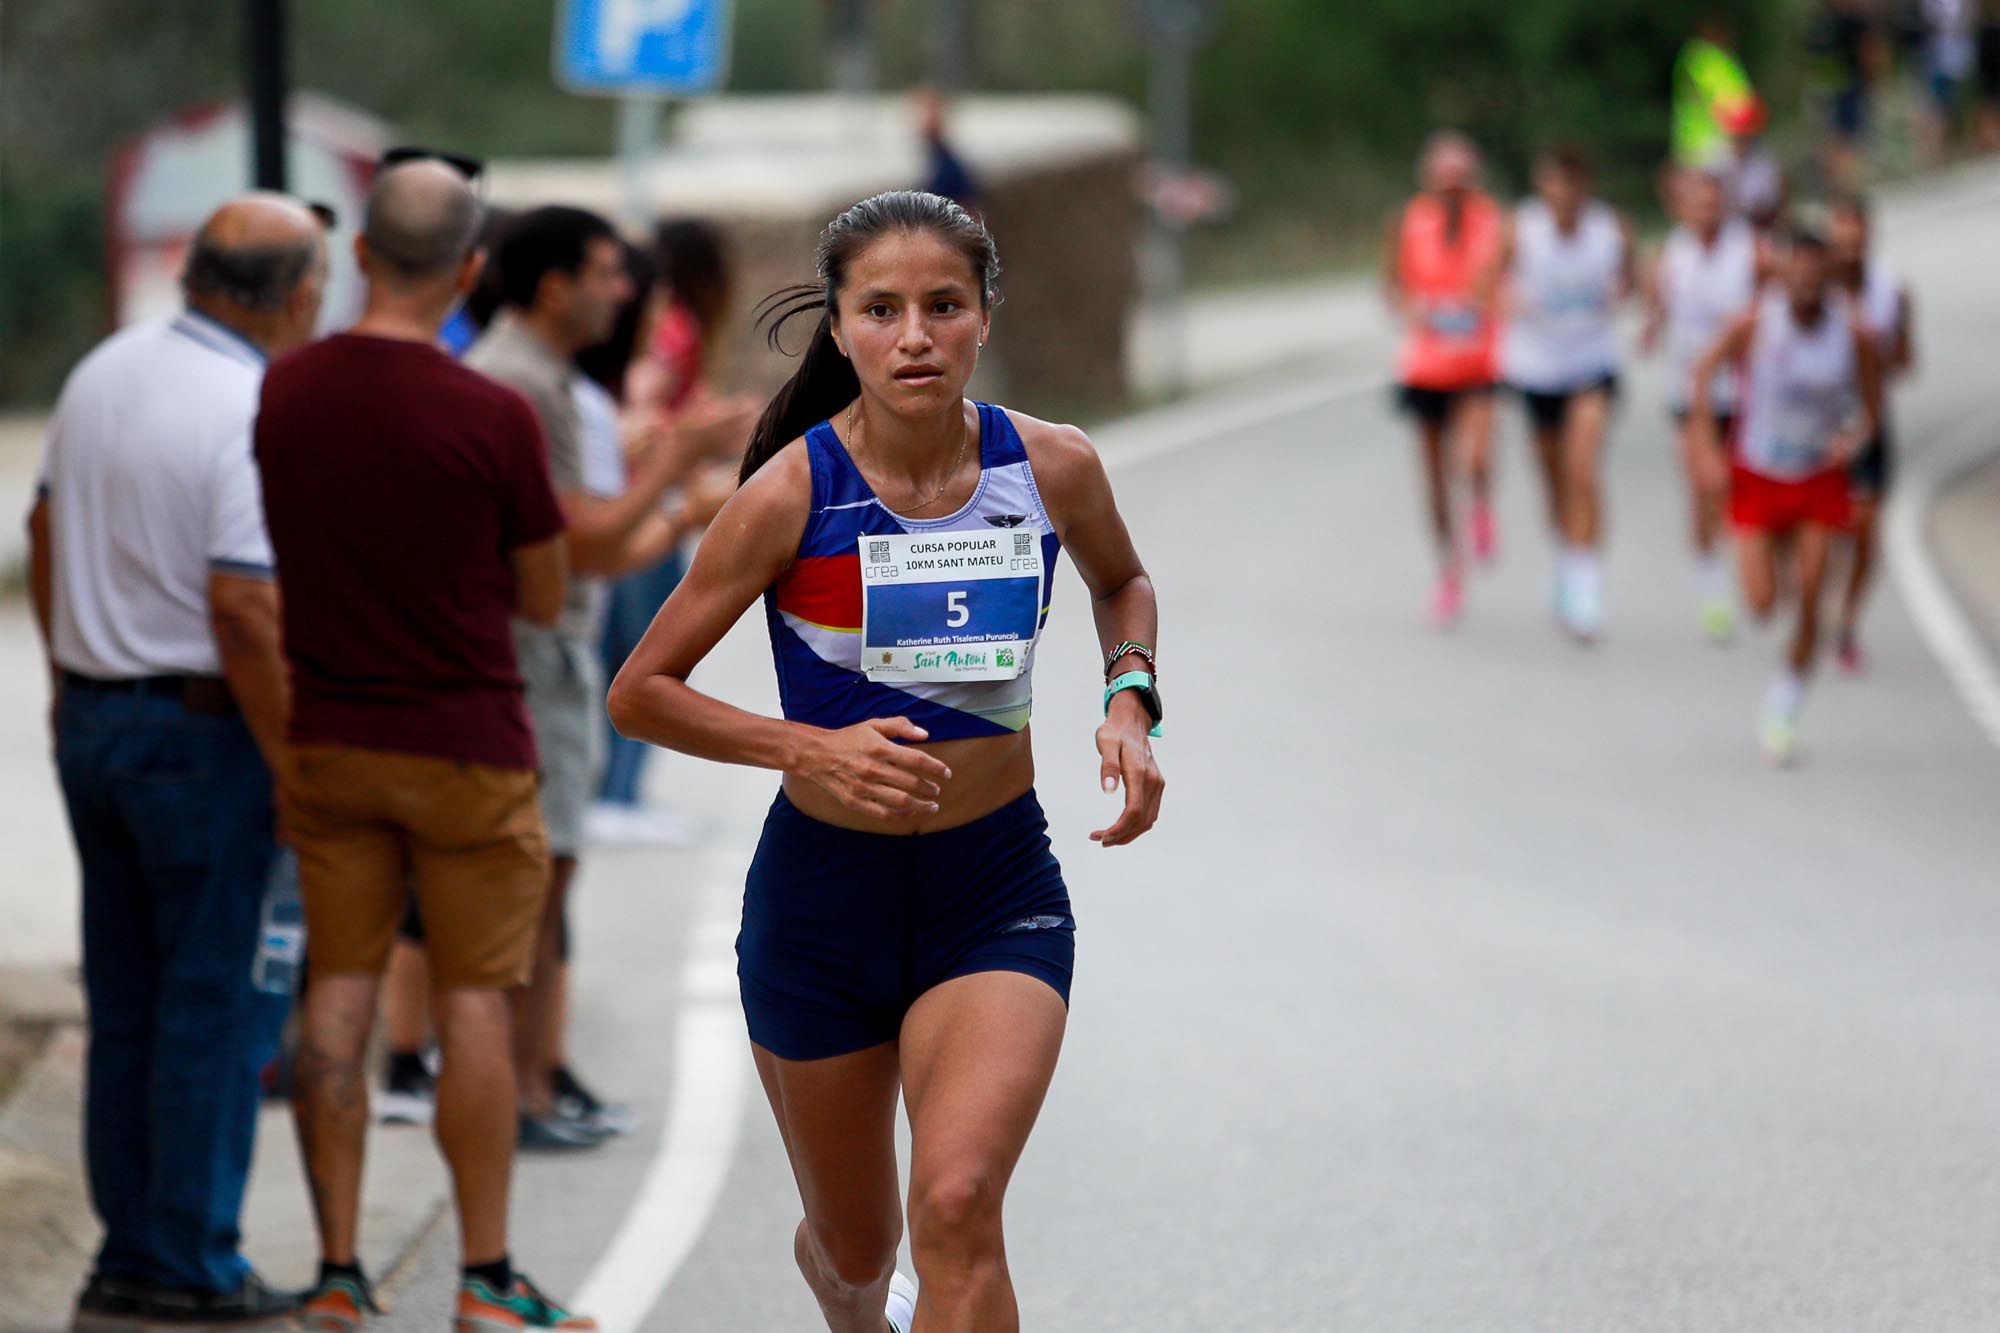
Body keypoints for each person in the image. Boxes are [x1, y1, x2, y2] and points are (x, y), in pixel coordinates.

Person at [607, 190, 1165, 1333]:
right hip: (822, 903)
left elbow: (1121, 580)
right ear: (843, 329)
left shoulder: (1050, 465)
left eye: (942, 306)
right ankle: (859, 1310)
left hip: (992, 890)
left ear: (982, 318)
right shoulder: (787, 495)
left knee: (958, 1202)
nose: (914, 335)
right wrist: (805, 745)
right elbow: (638, 693)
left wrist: (1127, 697)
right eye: (881, 309)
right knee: (858, 1248)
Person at [256, 159, 594, 1332]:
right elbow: (545, 598)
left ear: (355, 255)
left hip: (331, 735)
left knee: (339, 992)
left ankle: (339, 1273)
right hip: (468, 744)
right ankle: (485, 1279)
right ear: (465, 272)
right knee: (473, 1004)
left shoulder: (283, 393)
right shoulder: (491, 414)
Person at [27, 192, 324, 1329]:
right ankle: (189, 1261)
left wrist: (66, 684)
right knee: (219, 999)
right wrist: (297, 768)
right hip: (206, 739)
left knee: (132, 1000)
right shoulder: (248, 401)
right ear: (297, 295)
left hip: (101, 721)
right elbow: (246, 606)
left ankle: (130, 1249)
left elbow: (45, 531)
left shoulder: (106, 367)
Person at [467, 206, 735, 1148]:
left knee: (549, 877)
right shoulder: (525, 383)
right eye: (605, 273)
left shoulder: (536, 376)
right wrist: (680, 460)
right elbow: (583, 542)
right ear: (551, 285)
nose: (622, 292)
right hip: (529, 656)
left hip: (543, 650)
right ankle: (518, 1092)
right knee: (531, 884)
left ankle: (535, 1081)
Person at [1688, 213, 1881, 764]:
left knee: (1813, 594)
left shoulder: (1854, 335)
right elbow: (1701, 378)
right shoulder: (1754, 324)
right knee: (1763, 605)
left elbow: (1871, 411)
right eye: (1795, 276)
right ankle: (1774, 575)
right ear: (1780, 277)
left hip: (1819, 478)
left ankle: (1784, 705)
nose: (1805, 287)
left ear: (1830, 281)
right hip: (1757, 474)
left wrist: (1853, 440)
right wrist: (1706, 450)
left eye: (1816, 279)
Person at [591, 217, 757, 844]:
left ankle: (612, 791)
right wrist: (694, 435)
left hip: (638, 496)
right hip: (649, 501)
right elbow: (642, 403)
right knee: (648, 654)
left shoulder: (662, 326)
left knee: (619, 649)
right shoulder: (678, 327)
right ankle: (619, 793)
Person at [1498, 144, 1635, 641]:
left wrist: (1622, 294)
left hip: (1591, 366)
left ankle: (1587, 587)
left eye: (1575, 185)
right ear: (1542, 186)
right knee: (1553, 481)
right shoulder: (1521, 228)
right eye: (1556, 184)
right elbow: (1483, 283)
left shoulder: (1610, 228)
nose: (1566, 196)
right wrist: (1506, 298)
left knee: (1584, 470)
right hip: (1537, 371)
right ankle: (1565, 556)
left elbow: (1632, 278)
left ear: (1586, 187)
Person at [1381, 130, 1505, 626]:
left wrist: (1488, 300)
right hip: (1427, 366)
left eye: (1461, 182)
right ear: (1429, 183)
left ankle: (1480, 508)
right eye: (1444, 183)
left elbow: (1504, 279)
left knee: (1473, 458)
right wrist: (1413, 308)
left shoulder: (1493, 223)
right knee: (1433, 480)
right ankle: (1449, 572)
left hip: (1477, 363)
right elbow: (1392, 285)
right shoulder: (1409, 223)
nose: (1453, 191)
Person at [1642, 165, 1760, 642]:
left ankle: (1748, 563)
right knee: (1703, 486)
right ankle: (1712, 586)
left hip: (1745, 392)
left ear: (1725, 206)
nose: (1706, 211)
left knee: (1733, 489)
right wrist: (1650, 327)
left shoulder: (1750, 251)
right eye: (1697, 203)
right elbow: (1656, 314)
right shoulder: (1669, 255)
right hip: (1691, 393)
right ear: (1682, 206)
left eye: (1714, 203)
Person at [1828, 192, 1914, 672]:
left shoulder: (1891, 291)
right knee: (1826, 528)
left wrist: (1876, 360)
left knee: (1865, 529)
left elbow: (1906, 361)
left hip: (1870, 420)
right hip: (1820, 424)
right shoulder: (1813, 289)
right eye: (1841, 241)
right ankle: (1817, 601)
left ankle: (1846, 622)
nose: (1849, 250)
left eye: (1856, 240)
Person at [1672, 12, 1756, 169]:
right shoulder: (1702, 57)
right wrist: (1739, 136)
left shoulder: (1720, 58)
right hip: (1707, 144)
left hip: (1716, 143)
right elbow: (1722, 102)